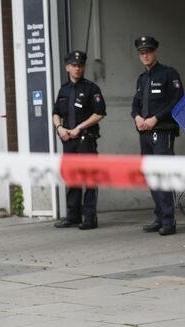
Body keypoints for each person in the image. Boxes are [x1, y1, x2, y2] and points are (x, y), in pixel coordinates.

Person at [131, 36, 184, 236]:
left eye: (148, 51)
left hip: (162, 131)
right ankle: (160, 216)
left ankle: (169, 221)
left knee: (163, 173)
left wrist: (156, 118)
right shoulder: (142, 79)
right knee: (151, 174)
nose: (145, 55)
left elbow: (176, 101)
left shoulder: (169, 74)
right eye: (141, 53)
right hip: (144, 132)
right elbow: (135, 103)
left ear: (155, 52)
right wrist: (136, 117)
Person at [53, 50, 106, 230]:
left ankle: (90, 217)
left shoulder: (91, 88)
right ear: (67, 67)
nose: (77, 68)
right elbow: (56, 113)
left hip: (86, 139)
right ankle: (72, 216)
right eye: (74, 66)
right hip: (69, 140)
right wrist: (59, 128)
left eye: (80, 65)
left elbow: (99, 113)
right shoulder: (63, 90)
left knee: (89, 178)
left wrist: (79, 127)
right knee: (71, 177)